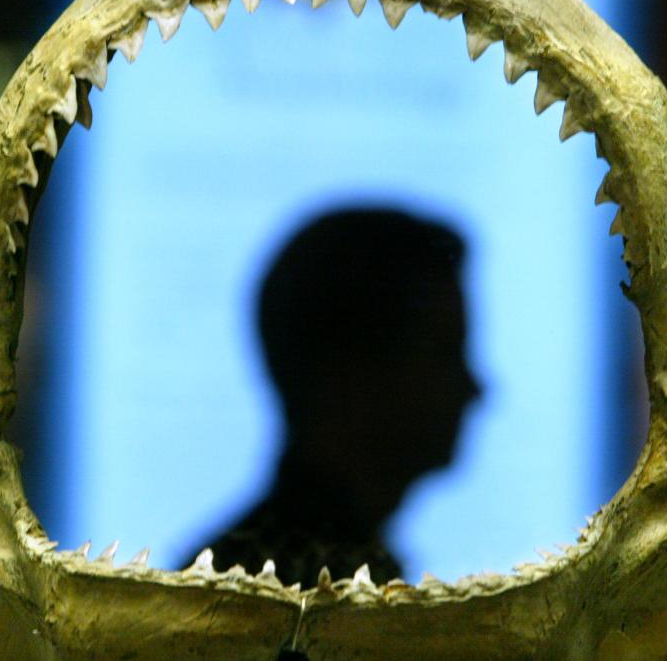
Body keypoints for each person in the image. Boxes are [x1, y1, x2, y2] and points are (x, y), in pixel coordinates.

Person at [183, 206, 481, 586]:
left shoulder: (240, 569)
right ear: (351, 372)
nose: (474, 388)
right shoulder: (295, 587)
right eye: (444, 352)